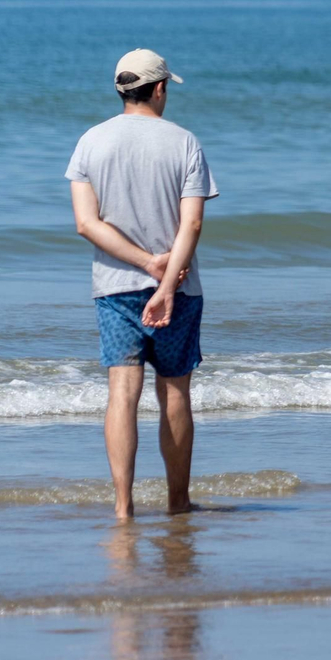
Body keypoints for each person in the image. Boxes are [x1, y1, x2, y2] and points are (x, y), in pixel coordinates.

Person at [67, 49, 218, 519]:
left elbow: (87, 224)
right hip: (179, 288)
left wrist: (144, 263)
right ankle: (177, 502)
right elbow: (190, 227)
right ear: (158, 89)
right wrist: (166, 279)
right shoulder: (184, 142)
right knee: (174, 393)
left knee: (122, 394)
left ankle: (122, 508)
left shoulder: (90, 141)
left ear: (120, 89)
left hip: (114, 288)